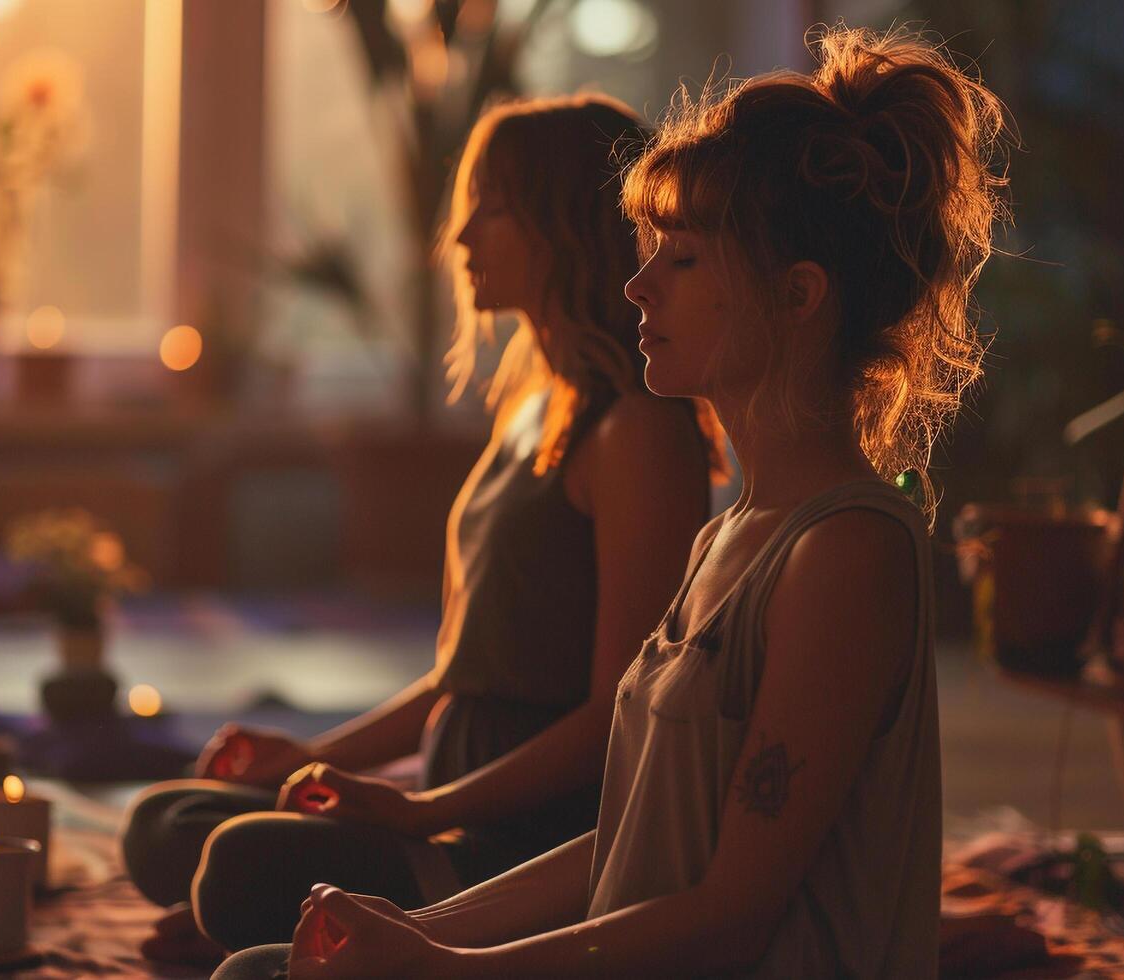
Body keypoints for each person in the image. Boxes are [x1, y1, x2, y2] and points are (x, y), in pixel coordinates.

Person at [215, 24, 1006, 979]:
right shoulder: (729, 536)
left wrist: (447, 967)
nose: (635, 287)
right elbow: (623, 846)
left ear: (798, 295)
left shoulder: (845, 555)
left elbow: (729, 920)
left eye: (682, 261)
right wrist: (427, 932)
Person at [120, 93, 722, 962]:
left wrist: (423, 811)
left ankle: (300, 909)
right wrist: (306, 762)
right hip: (437, 806)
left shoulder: (636, 431)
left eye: (494, 208)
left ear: (569, 223)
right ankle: (284, 905)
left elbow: (615, 720)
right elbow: (457, 677)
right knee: (168, 818)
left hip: (515, 842)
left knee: (230, 863)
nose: (462, 236)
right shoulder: (531, 410)